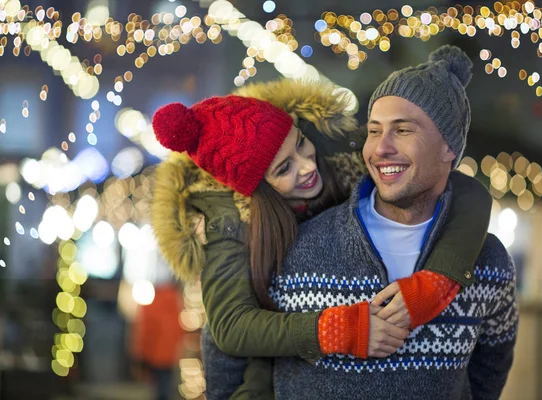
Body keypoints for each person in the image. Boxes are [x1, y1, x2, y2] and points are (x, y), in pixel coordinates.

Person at [151, 77, 492, 398]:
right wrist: (337, 330)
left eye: (300, 143)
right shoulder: (229, 224)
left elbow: (464, 192)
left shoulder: (344, 161)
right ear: (255, 192)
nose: (306, 166)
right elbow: (231, 327)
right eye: (284, 169)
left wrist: (437, 281)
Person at [268, 45, 519, 399]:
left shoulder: (488, 261)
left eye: (402, 130)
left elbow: (491, 364)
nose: (380, 147)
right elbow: (235, 357)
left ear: (449, 147)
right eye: (373, 130)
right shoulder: (299, 246)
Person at [131, 282, 184, 400]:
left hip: (154, 357)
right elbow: (180, 332)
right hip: (170, 356)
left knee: (158, 391)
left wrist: (140, 354)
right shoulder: (175, 305)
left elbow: (145, 332)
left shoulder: (150, 304)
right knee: (166, 389)